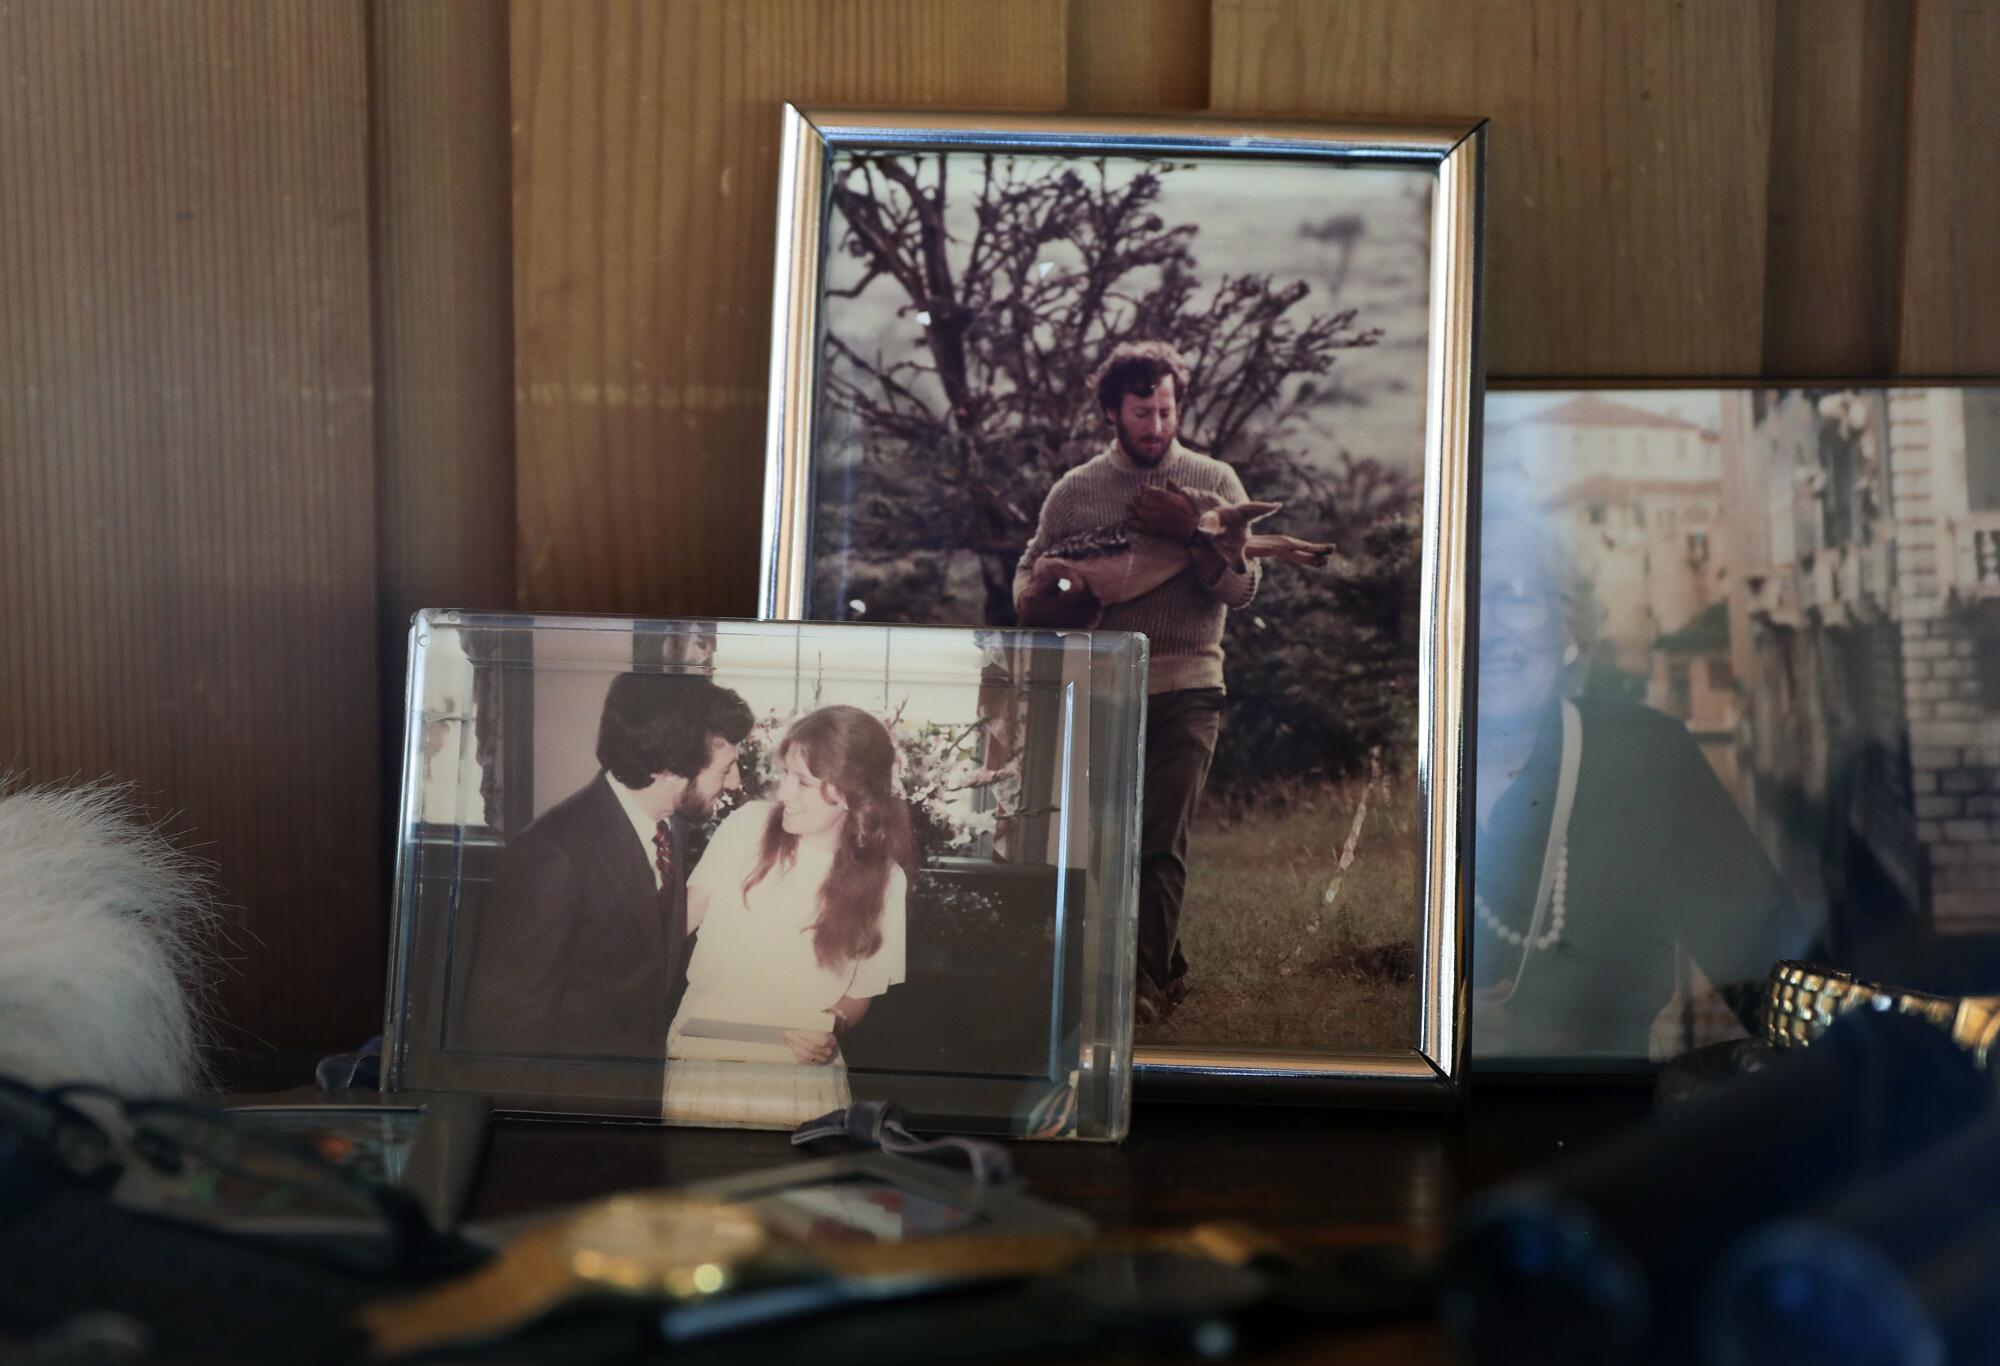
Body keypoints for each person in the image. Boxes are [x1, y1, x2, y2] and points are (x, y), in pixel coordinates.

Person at [1473, 498, 1814, 1060]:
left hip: (1608, 1131)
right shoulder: (1363, 783)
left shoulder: (1645, 756)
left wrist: (1894, 1046)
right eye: (1465, 598)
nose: (1486, 630)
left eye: (1517, 597)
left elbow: (1770, 974)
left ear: (1567, 627)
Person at [1012, 340, 1262, 1025]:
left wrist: (1196, 537)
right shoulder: (1077, 491)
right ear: (1110, 414)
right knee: (1100, 843)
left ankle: (1145, 991)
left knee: (1160, 840)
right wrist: (1049, 592)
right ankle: (1136, 972)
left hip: (1189, 684)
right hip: (1103, 689)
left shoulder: (1214, 480)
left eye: (1166, 409)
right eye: (1142, 412)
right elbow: (1030, 573)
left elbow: (1241, 590)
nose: (1157, 426)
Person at [458, 672, 753, 1057]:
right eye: (724, 768)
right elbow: (507, 1031)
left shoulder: (670, 826)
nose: (734, 782)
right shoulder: (550, 856)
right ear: (666, 772)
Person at [663, 705, 912, 1128]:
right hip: (706, 1061)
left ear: (853, 793)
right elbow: (675, 925)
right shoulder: (746, 827)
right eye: (784, 775)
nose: (783, 794)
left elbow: (863, 989)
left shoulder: (886, 880)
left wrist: (832, 1026)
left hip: (798, 1078)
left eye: (803, 782)